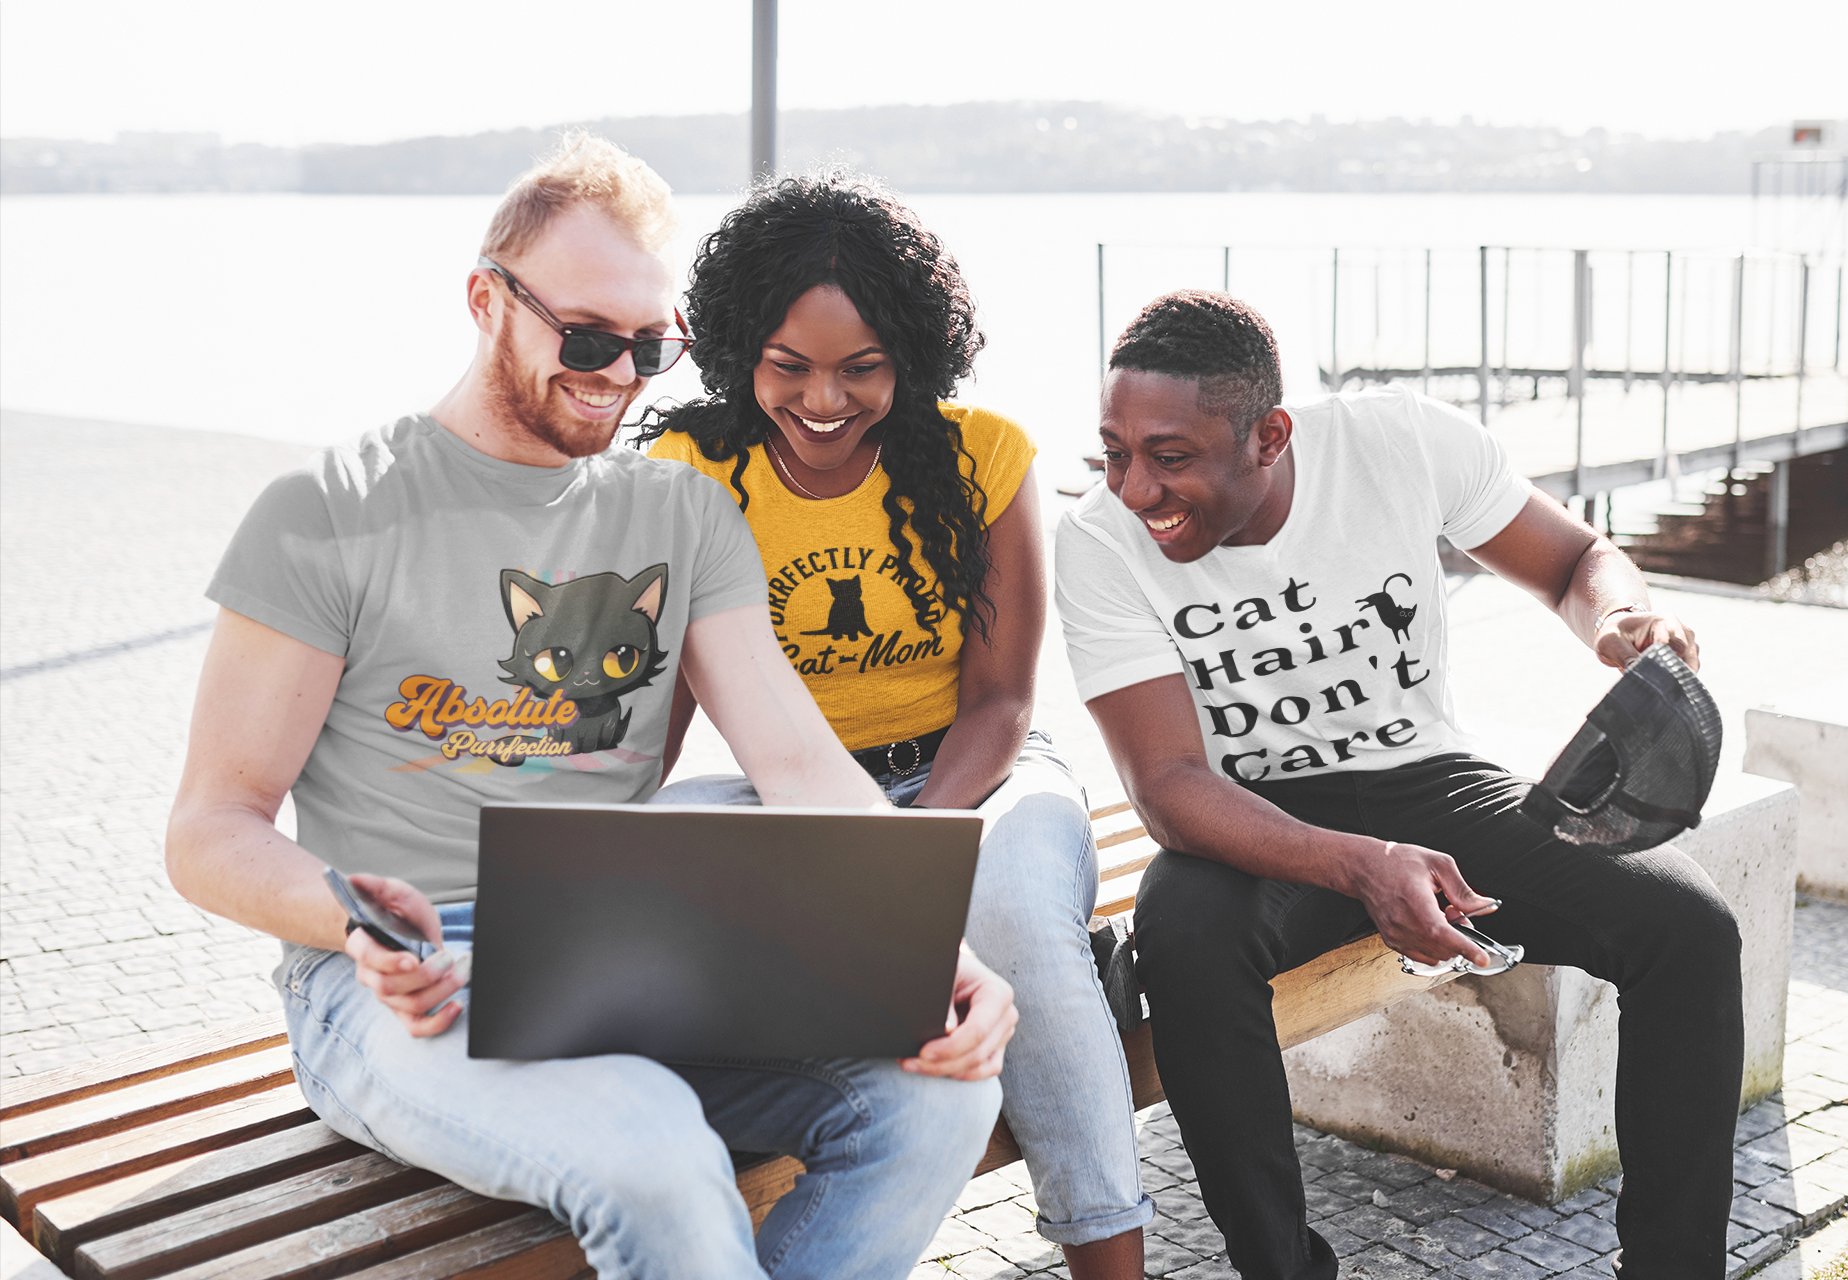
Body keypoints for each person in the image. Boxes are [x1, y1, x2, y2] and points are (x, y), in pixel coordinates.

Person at [164, 134, 1016, 1280]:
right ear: (484, 299)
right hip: (392, 985)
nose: (617, 372)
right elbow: (209, 828)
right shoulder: (328, 511)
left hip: (621, 957)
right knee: (655, 1146)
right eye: (587, 337)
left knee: (937, 1093)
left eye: (649, 347)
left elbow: (800, 763)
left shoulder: (681, 515)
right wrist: (358, 916)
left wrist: (932, 949)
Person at [1053, 290, 1741, 1280]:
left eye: (1170, 456)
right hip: (1248, 817)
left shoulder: (1400, 442)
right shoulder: (1098, 540)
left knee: (1689, 926)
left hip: (1430, 784)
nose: (1134, 487)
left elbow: (1577, 560)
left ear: (1269, 435)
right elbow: (1167, 784)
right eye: (1114, 450)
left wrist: (1619, 620)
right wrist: (1362, 865)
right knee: (1185, 937)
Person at [641, 173, 1154, 1277]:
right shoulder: (690, 469)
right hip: (796, 794)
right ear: (739, 350)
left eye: (861, 366)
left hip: (981, 772)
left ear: (910, 354)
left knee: (1014, 912)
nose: (825, 397)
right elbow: (664, 704)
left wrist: (895, 837)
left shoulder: (985, 456)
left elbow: (1004, 700)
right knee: (647, 882)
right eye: (790, 365)